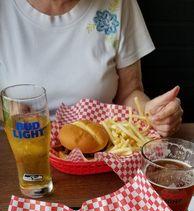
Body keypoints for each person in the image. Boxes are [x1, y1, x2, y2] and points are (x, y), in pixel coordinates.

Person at [0, 0, 183, 136]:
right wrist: (8, 111)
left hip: (102, 153)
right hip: (21, 150)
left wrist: (151, 114)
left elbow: (129, 93)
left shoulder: (118, 3)